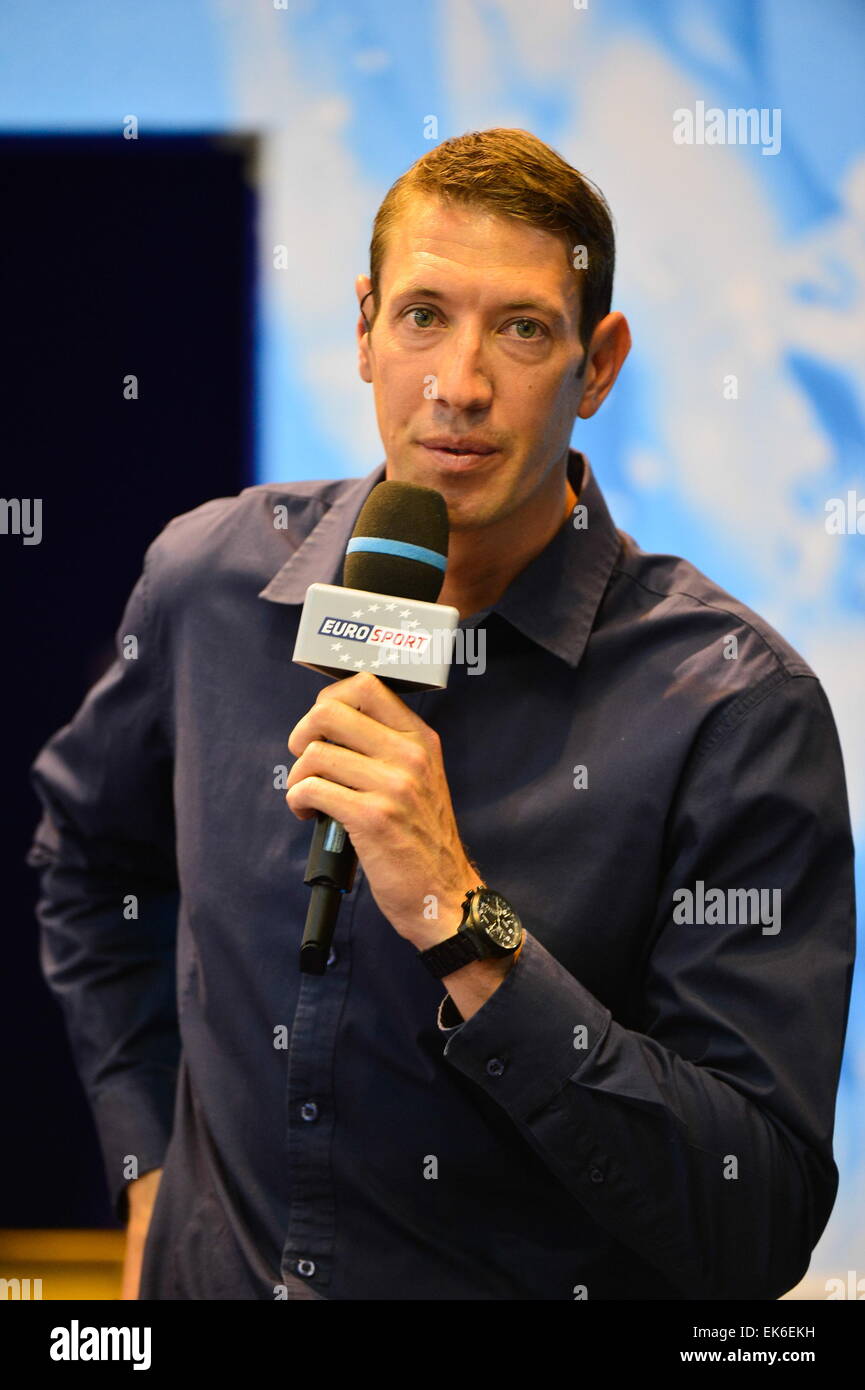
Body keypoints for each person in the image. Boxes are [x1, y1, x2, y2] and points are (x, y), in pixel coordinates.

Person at [27, 128, 855, 1301]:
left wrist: (469, 927)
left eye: (521, 328)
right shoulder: (209, 585)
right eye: (422, 315)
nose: (457, 383)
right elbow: (85, 860)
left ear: (599, 363)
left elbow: (754, 1219)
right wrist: (147, 1169)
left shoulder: (730, 707)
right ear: (364, 327)